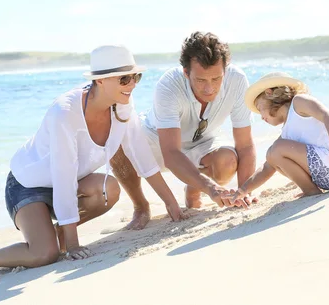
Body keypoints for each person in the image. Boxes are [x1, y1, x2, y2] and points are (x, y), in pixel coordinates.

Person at [0, 45, 187, 282]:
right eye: (124, 79)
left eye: (136, 77)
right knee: (44, 255)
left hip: (68, 184)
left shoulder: (122, 105)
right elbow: (63, 176)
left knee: (109, 190)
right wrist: (74, 246)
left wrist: (171, 204)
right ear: (100, 80)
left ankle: (56, 237)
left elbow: (142, 156)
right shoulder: (64, 113)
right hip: (27, 186)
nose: (132, 84)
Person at [110, 32, 257, 230]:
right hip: (157, 140)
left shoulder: (237, 80)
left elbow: (245, 145)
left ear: (225, 70)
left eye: (216, 79)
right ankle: (141, 207)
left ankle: (194, 189)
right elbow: (171, 153)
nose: (209, 89)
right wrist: (212, 189)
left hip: (203, 140)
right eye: (201, 80)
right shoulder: (169, 85)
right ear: (186, 73)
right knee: (117, 145)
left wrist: (244, 191)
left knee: (227, 162)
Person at [232, 71, 329, 202]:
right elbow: (267, 167)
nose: (261, 116)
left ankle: (311, 191)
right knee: (272, 154)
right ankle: (310, 189)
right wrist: (243, 190)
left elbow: (327, 115)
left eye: (259, 108)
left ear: (269, 93)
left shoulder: (299, 102)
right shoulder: (286, 133)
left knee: (275, 149)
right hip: (326, 177)